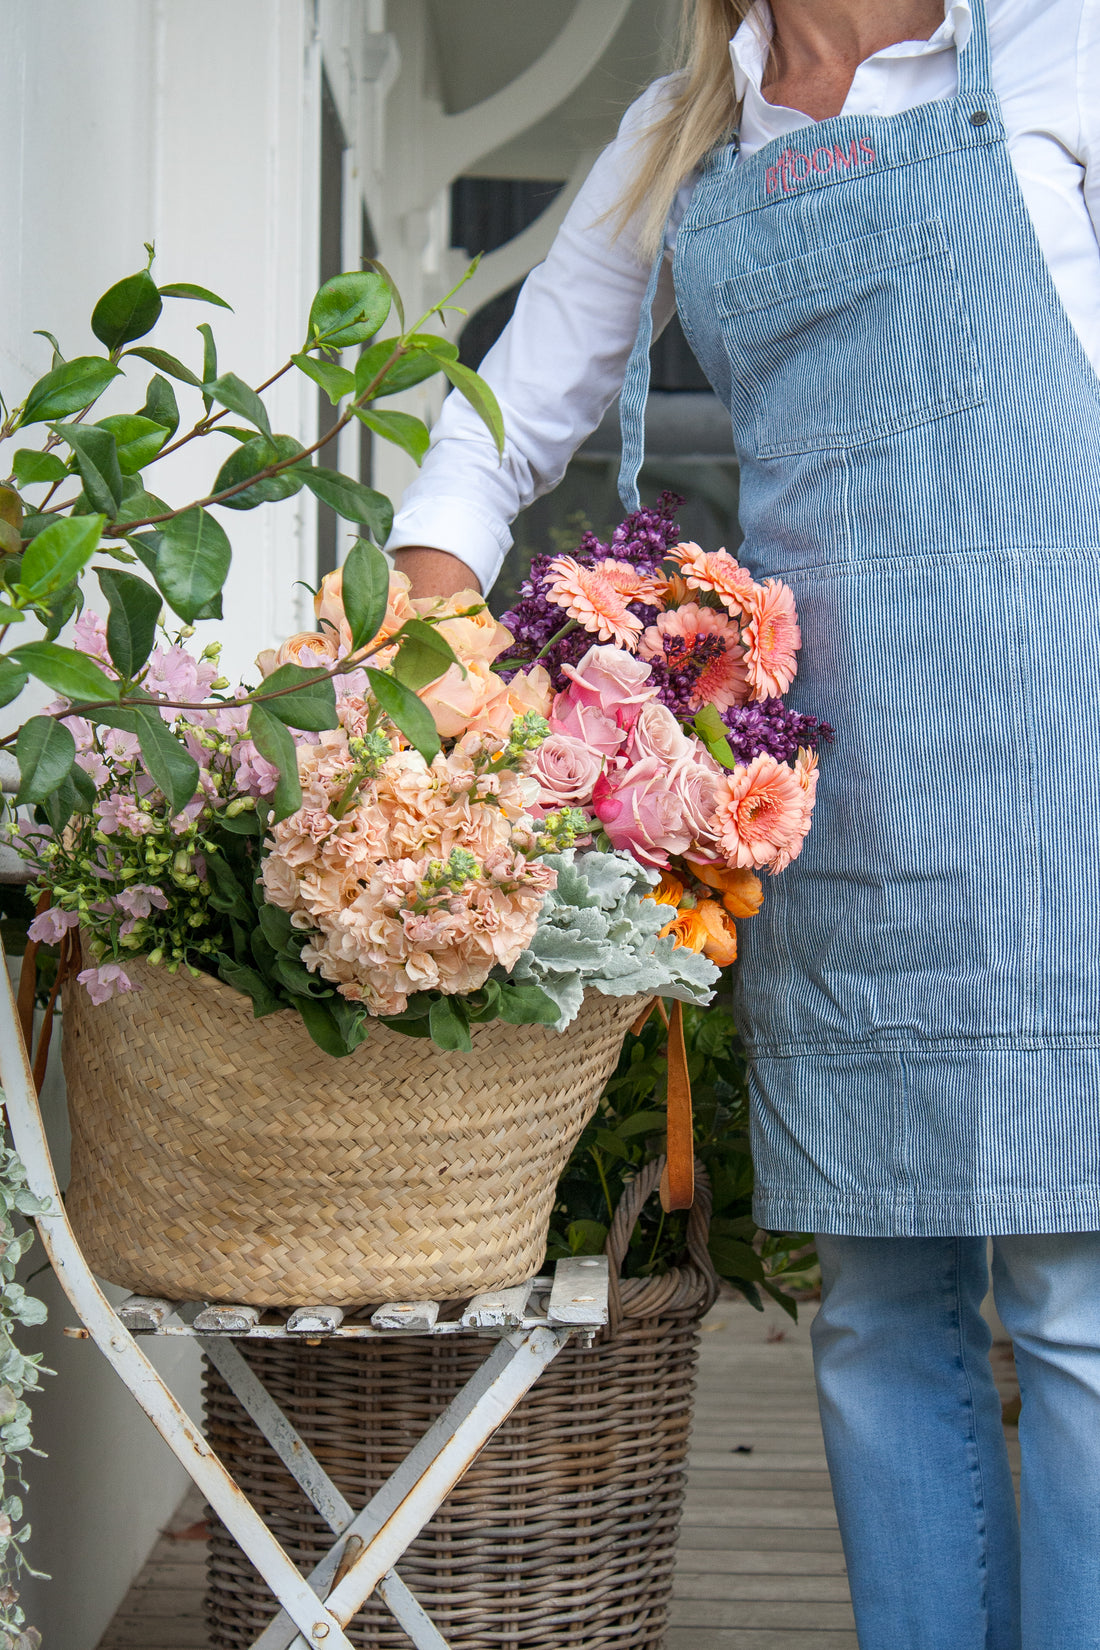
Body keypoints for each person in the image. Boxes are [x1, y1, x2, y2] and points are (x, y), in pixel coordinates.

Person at [388, 4, 1100, 1645]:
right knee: (877, 1298)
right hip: (832, 780)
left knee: (1074, 1294)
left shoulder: (1059, 54)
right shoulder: (681, 132)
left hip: (1060, 738)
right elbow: (514, 406)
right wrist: (417, 605)